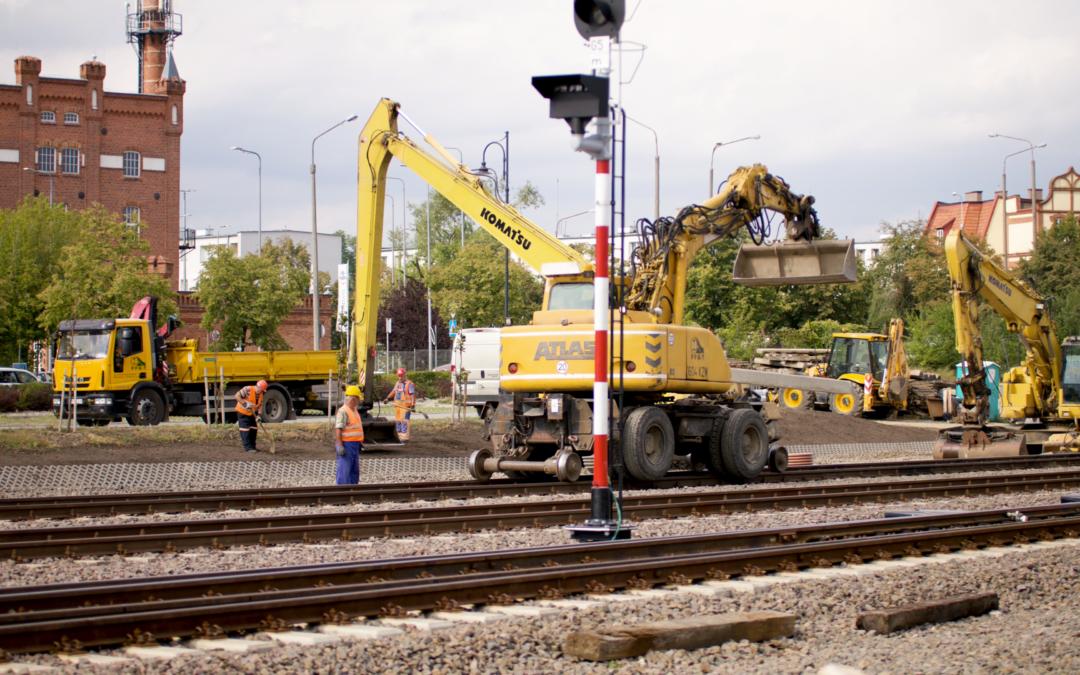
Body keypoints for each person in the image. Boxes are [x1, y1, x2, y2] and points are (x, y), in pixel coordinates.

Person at [335, 385, 364, 485]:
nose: (359, 401)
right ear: (352, 400)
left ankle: (353, 490)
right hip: (346, 445)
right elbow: (338, 428)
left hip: (354, 445)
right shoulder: (343, 411)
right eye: (358, 399)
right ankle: (342, 492)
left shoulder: (353, 410)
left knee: (354, 470)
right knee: (344, 470)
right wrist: (340, 445)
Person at [234, 380, 268, 453]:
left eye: (262, 391)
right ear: (258, 387)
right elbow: (237, 396)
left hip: (251, 413)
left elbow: (260, 405)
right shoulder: (247, 389)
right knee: (245, 430)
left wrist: (259, 415)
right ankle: (248, 448)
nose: (261, 392)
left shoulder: (260, 395)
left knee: (254, 429)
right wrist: (244, 404)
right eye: (261, 390)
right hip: (243, 413)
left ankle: (253, 447)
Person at [384, 368, 416, 441]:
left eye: (401, 376)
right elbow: (393, 391)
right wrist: (387, 398)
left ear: (405, 375)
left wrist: (413, 405)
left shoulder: (409, 384)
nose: (400, 378)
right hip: (398, 406)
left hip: (405, 407)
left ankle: (405, 436)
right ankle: (399, 435)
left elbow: (413, 395)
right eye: (399, 376)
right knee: (398, 421)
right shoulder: (398, 383)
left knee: (405, 421)